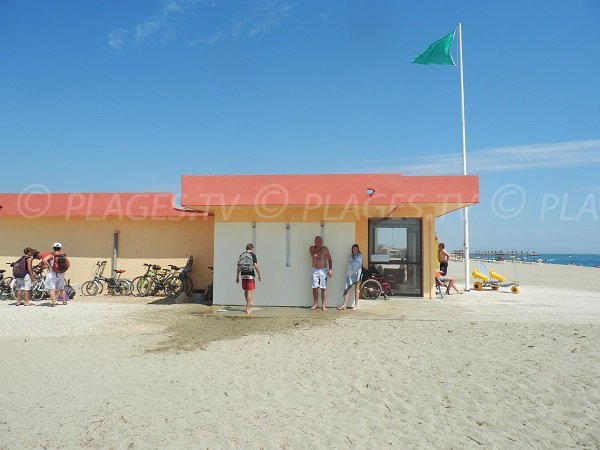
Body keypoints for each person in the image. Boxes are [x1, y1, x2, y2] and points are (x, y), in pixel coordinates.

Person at [235, 243, 262, 314]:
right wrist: (259, 274)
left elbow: (238, 267)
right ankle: (248, 307)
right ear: (252, 248)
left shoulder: (241, 255)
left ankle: (248, 305)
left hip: (243, 275)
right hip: (250, 275)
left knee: (246, 290)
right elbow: (255, 265)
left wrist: (237, 276)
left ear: (246, 248)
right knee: (249, 291)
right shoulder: (253, 255)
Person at [309, 236, 333, 310]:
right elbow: (315, 255)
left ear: (322, 242)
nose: (318, 243)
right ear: (314, 242)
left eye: (320, 241)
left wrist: (330, 269)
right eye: (317, 241)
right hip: (315, 270)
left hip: (323, 270)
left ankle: (323, 305)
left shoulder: (325, 249)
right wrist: (323, 251)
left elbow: (329, 259)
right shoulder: (312, 248)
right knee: (315, 288)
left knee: (323, 288)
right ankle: (315, 303)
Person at [338, 244, 363, 310]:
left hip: (358, 275)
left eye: (356, 249)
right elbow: (350, 266)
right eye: (353, 249)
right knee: (347, 289)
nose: (354, 250)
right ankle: (344, 305)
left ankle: (356, 305)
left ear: (358, 249)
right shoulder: (351, 257)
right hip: (350, 275)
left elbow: (357, 265)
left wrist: (352, 272)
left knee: (356, 290)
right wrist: (349, 274)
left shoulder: (360, 256)